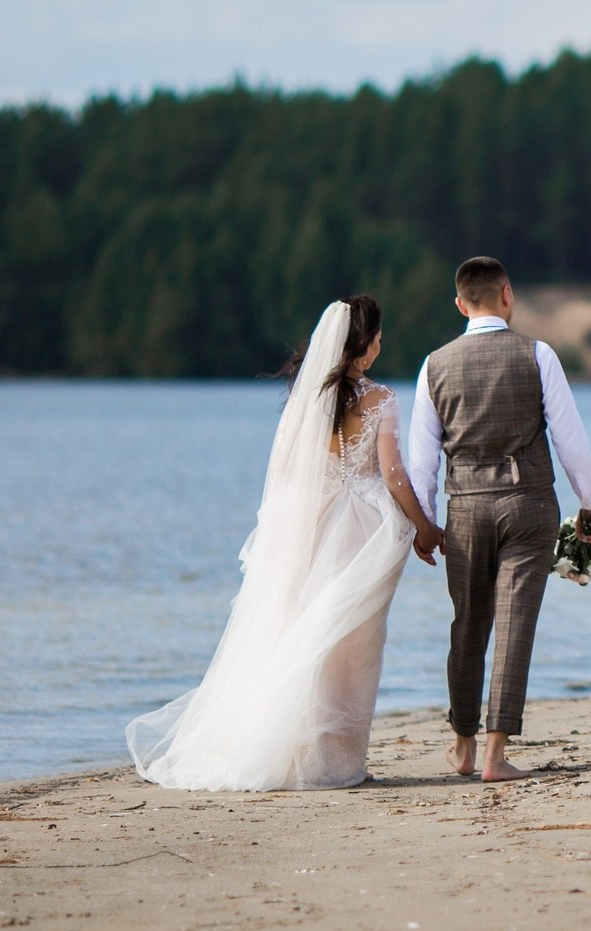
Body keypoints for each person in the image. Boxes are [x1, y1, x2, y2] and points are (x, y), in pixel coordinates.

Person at [126, 297, 443, 790]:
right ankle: (340, 761)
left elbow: (290, 473)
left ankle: (302, 756)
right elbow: (394, 476)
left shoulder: (309, 400)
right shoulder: (380, 399)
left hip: (311, 524)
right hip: (363, 531)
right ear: (364, 343)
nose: (381, 347)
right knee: (354, 646)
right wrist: (425, 527)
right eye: (379, 338)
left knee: (306, 635)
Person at [405, 256, 591, 783]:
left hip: (466, 507)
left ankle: (463, 747)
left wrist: (424, 523)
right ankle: (496, 756)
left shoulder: (434, 365)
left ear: (459, 304)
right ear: (507, 295)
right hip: (528, 505)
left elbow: (421, 460)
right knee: (515, 626)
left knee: (467, 625)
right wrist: (589, 501)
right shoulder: (538, 354)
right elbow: (569, 437)